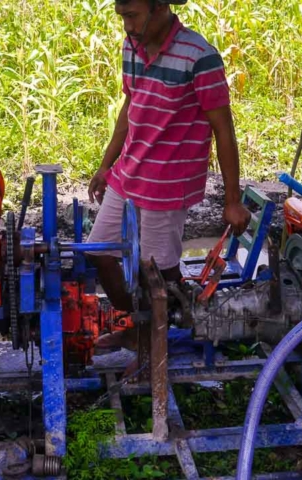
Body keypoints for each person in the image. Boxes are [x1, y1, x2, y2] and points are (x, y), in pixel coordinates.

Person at [87, 0, 251, 321]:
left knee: (158, 273)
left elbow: (224, 131)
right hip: (129, 172)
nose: (127, 27)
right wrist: (106, 165)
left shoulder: (199, 57)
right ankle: (134, 321)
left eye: (133, 17)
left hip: (167, 185)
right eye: (122, 17)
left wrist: (232, 200)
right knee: (99, 252)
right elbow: (130, 107)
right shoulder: (130, 47)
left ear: (159, 7)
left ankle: (180, 327)